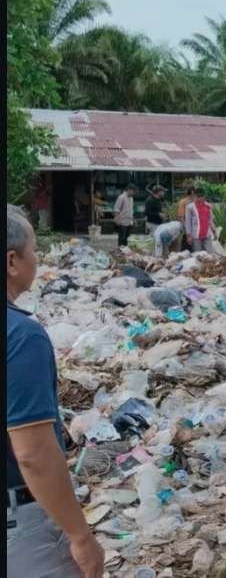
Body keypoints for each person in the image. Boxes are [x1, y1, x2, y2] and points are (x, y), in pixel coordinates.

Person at [6, 205, 106, 578]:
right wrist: (80, 536)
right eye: (34, 250)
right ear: (12, 261)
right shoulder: (21, 336)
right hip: (19, 529)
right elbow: (33, 453)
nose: (38, 259)